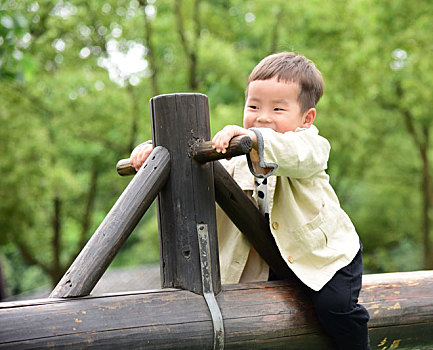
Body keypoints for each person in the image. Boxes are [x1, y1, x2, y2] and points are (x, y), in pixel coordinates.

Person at [130, 52, 370, 349]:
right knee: (253, 324)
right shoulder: (236, 155)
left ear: (306, 118)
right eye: (253, 106)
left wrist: (253, 137)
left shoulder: (311, 146)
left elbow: (295, 154)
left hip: (324, 256)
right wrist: (153, 151)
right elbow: (195, 167)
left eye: (278, 109)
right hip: (268, 262)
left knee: (336, 308)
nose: (263, 116)